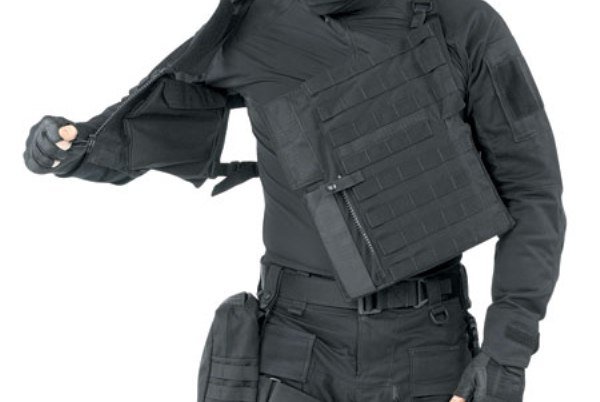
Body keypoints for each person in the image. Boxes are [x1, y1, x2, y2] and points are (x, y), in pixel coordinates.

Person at [23, 0, 566, 401]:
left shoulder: (464, 23)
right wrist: (64, 148)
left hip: (428, 346)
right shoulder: (257, 21)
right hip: (295, 345)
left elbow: (533, 191)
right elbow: (136, 128)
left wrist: (506, 355)